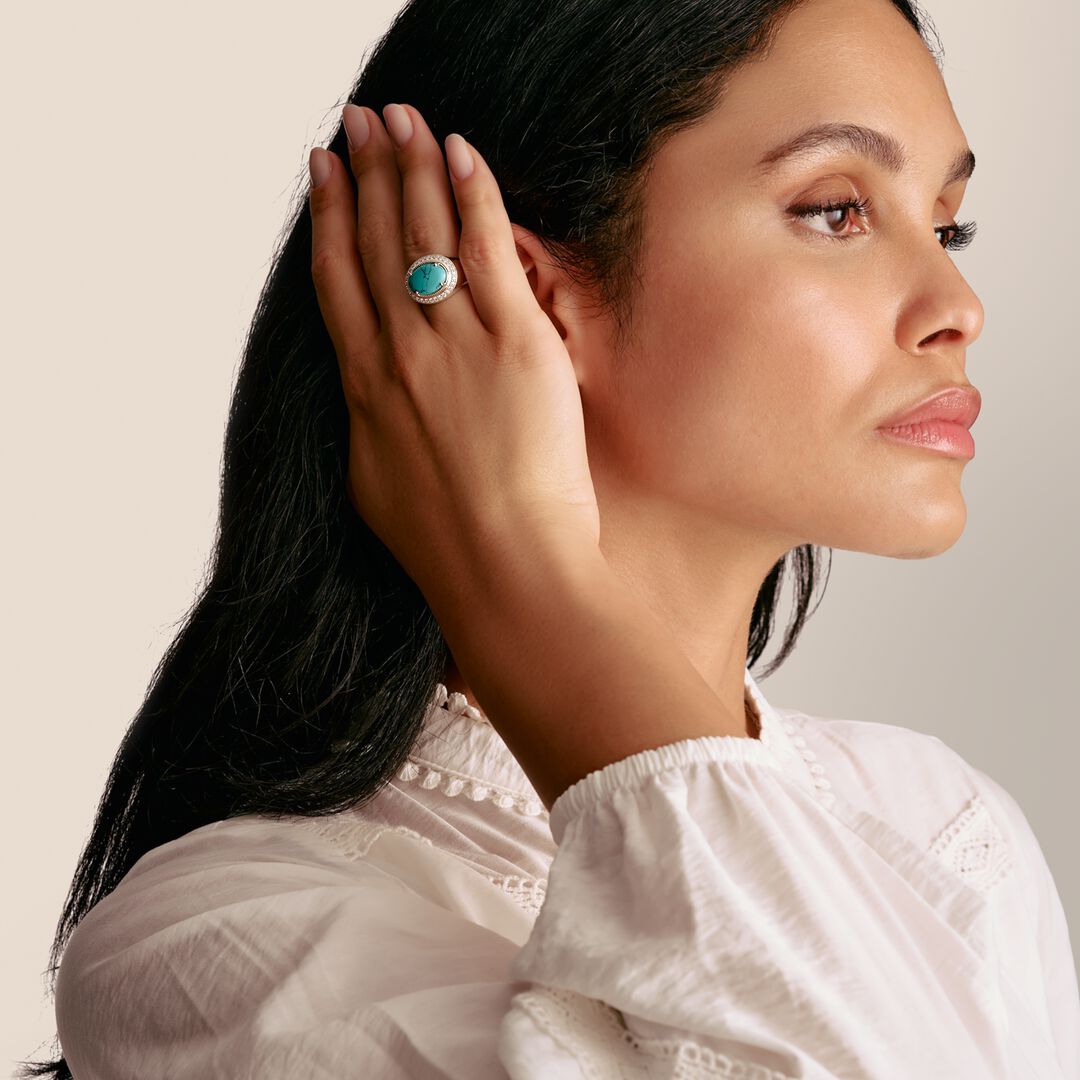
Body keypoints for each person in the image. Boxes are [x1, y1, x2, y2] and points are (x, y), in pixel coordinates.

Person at [20, 0, 1078, 1076]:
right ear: (517, 288)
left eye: (948, 224)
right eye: (837, 210)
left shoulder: (945, 829)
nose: (958, 304)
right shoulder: (222, 944)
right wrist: (524, 567)